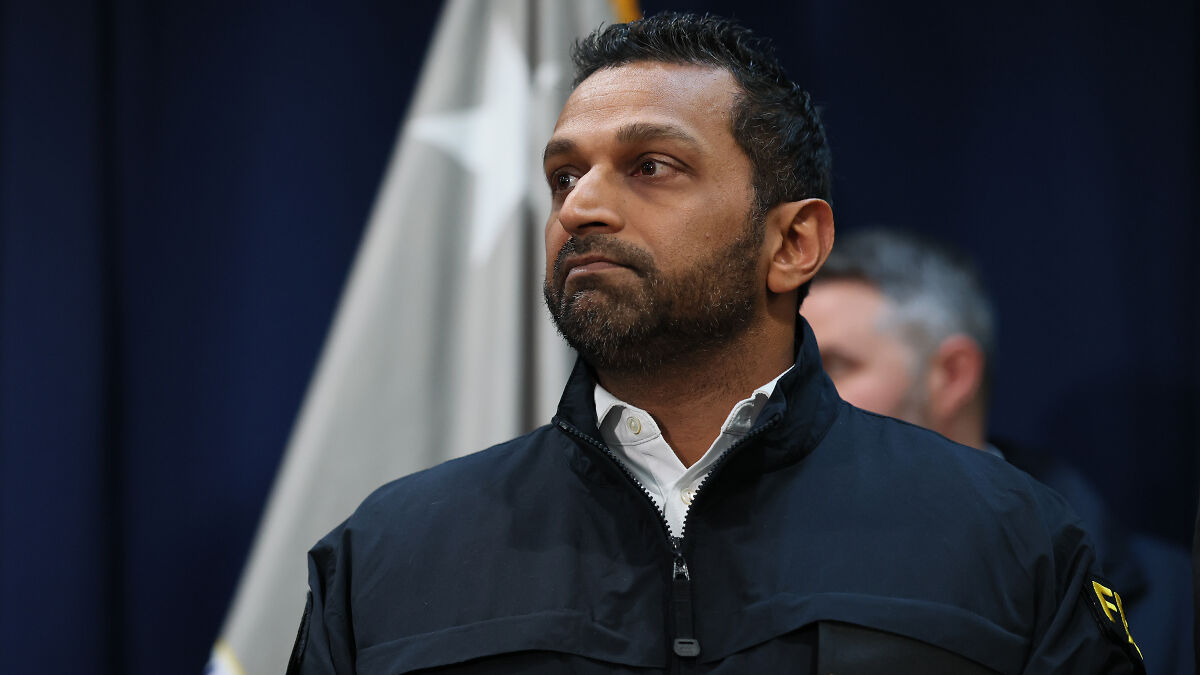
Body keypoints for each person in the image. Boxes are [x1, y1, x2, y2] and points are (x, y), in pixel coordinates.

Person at [288, 13, 1144, 673]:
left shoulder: (1005, 536)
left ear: (793, 245)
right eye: (564, 175)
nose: (581, 207)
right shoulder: (387, 555)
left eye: (652, 165)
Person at [802, 227, 1191, 673]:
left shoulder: (1172, 597)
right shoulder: (754, 563)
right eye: (795, 370)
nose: (799, 395)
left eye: (832, 365)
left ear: (952, 375)